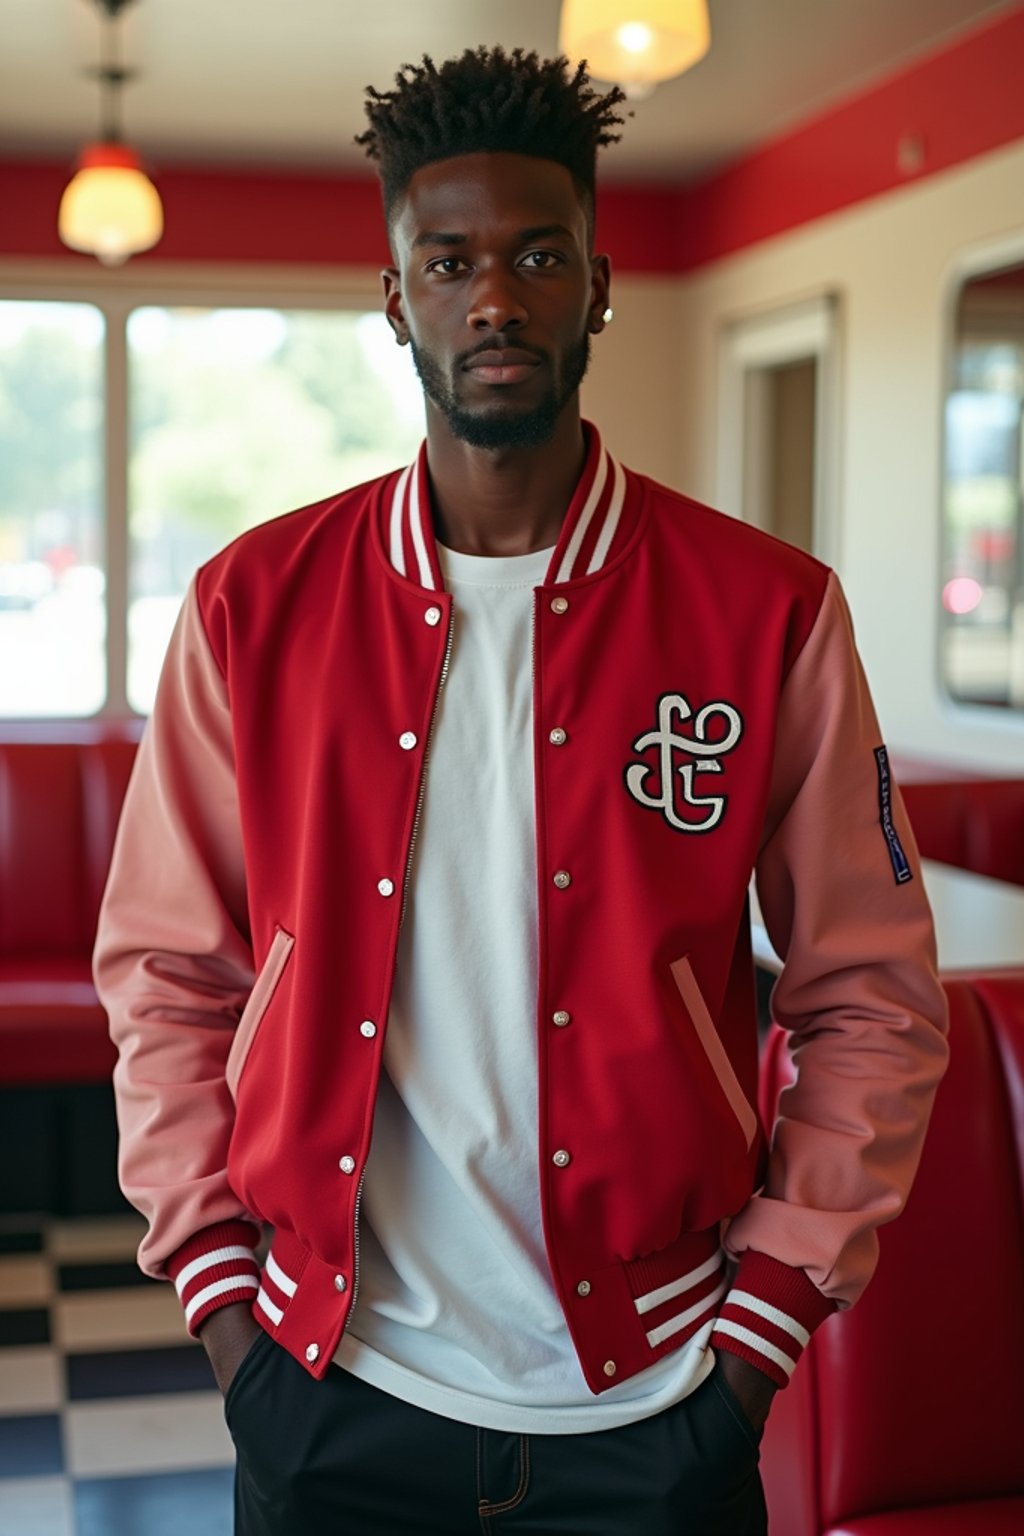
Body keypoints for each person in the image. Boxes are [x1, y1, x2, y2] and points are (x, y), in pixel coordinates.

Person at [94, 45, 949, 1536]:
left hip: (660, 1405)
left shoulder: (768, 614)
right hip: (328, 1388)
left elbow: (870, 995)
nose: (497, 296)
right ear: (397, 299)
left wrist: (754, 1344)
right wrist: (229, 1318)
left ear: (601, 286)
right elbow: (168, 975)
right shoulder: (253, 609)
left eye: (538, 255)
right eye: (452, 260)